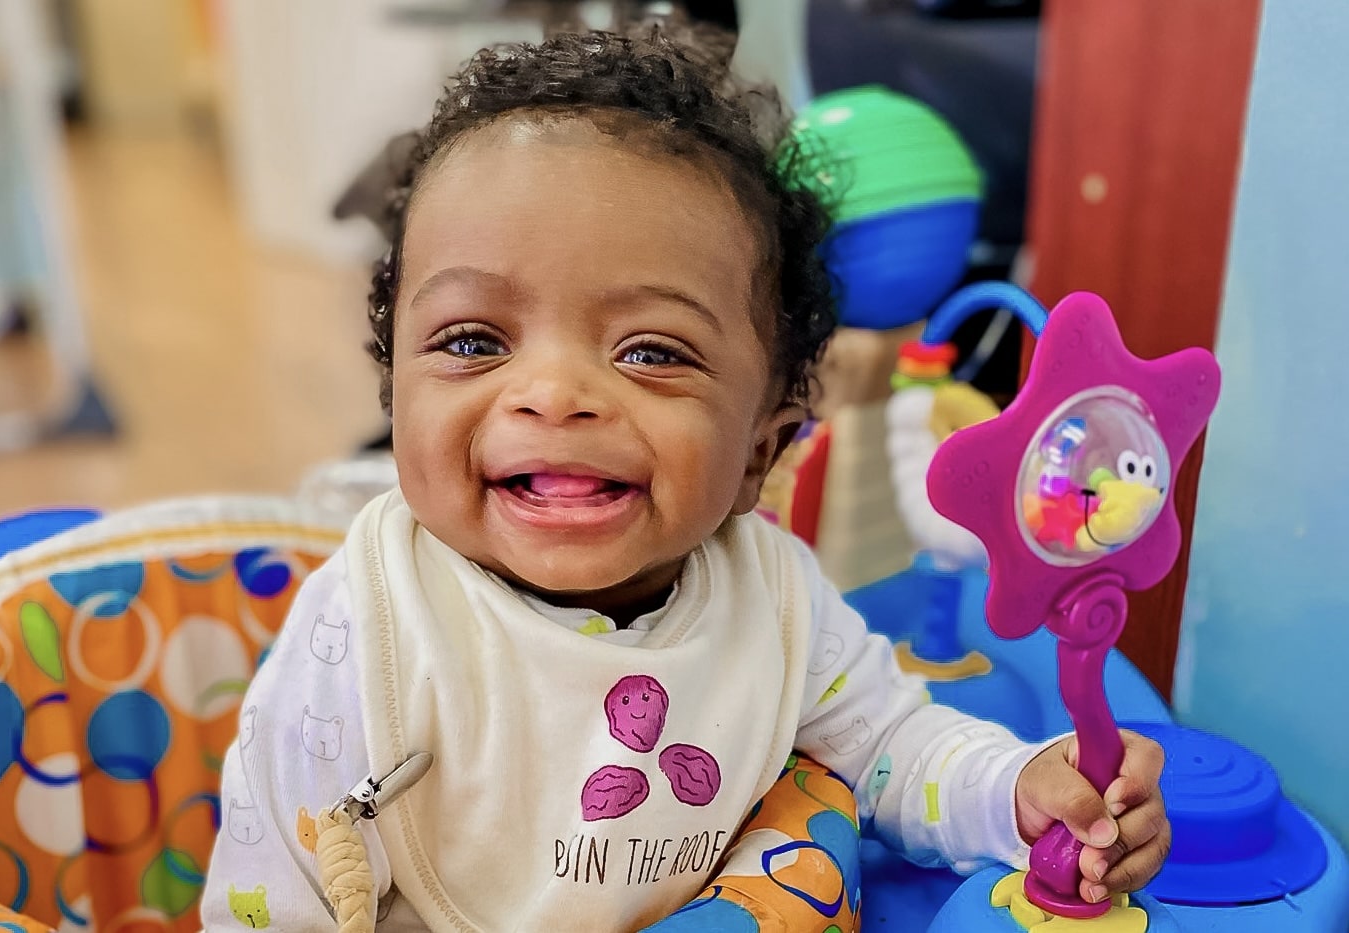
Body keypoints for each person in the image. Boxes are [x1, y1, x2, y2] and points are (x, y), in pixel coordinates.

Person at [201, 27, 1169, 931]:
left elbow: (888, 755)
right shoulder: (363, 629)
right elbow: (267, 886)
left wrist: (1016, 790)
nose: (552, 393)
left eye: (650, 351)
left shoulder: (775, 601)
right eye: (471, 340)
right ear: (396, 394)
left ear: (759, 449)